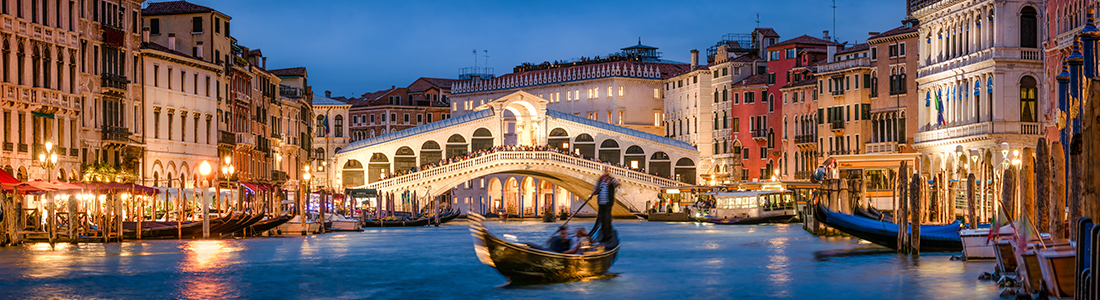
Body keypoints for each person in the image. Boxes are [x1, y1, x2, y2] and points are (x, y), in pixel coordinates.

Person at [588, 166, 618, 247]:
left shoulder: (611, 179)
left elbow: (617, 185)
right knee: (600, 218)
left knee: (607, 219)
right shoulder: (600, 179)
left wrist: (612, 183)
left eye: (607, 170)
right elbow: (596, 189)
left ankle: (607, 236)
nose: (606, 171)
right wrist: (592, 195)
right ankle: (598, 235)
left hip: (608, 202)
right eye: (605, 169)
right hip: (601, 202)